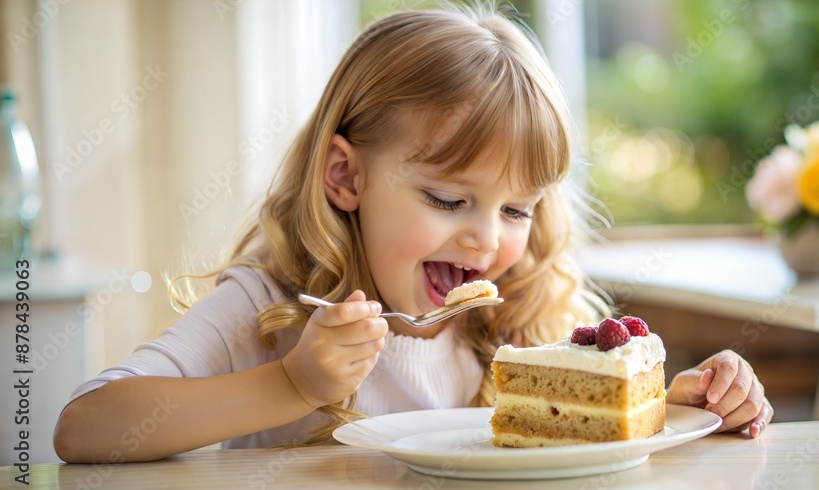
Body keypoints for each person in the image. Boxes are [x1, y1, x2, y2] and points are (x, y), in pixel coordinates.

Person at [54, 3, 772, 463]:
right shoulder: (271, 307)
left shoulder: (519, 320)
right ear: (346, 178)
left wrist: (669, 409)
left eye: (516, 210)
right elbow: (83, 426)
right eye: (449, 199)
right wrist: (291, 382)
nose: (486, 242)